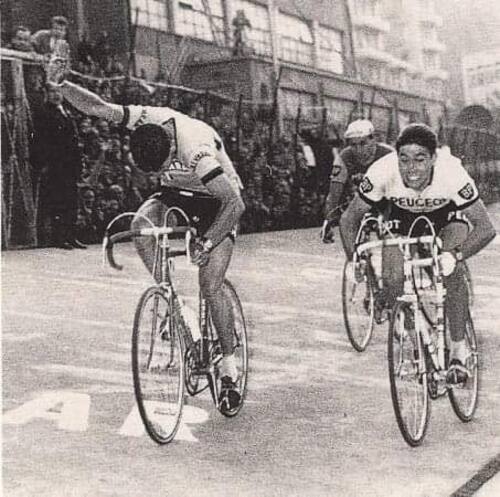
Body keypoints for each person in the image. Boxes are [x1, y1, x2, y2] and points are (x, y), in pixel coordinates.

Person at [45, 57, 246, 411]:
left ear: (171, 150)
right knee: (140, 226)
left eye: (165, 164)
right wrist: (61, 85)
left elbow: (235, 205)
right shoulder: (146, 119)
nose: (163, 169)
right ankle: (173, 300)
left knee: (210, 283)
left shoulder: (196, 151)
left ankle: (229, 369)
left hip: (218, 198)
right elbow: (98, 107)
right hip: (176, 191)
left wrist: (207, 241)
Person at [340, 123, 496, 383]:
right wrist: (354, 260)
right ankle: (417, 345)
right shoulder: (381, 171)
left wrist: (455, 256)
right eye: (404, 159)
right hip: (402, 216)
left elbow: (486, 228)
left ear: (434, 158)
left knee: (452, 273)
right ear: (396, 158)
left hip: (446, 215)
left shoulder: (452, 173)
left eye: (420, 159)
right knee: (392, 281)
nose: (411, 168)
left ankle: (458, 351)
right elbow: (349, 219)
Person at [31, 85, 87, 249]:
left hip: (70, 164)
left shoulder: (66, 111)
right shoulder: (44, 113)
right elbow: (40, 140)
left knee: (72, 201)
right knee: (58, 201)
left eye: (58, 92)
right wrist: (43, 162)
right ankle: (59, 237)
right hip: (56, 165)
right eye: (53, 92)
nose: (56, 95)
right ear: (46, 94)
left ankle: (71, 235)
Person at [321, 119, 393, 243]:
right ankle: (353, 254)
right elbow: (334, 194)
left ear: (373, 139)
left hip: (386, 199)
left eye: (363, 143)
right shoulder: (344, 157)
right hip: (360, 200)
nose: (359, 150)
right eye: (353, 145)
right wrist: (328, 220)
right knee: (347, 222)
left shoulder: (389, 154)